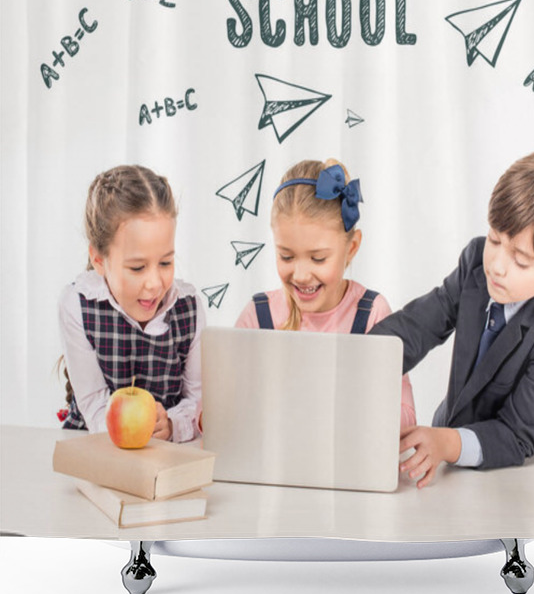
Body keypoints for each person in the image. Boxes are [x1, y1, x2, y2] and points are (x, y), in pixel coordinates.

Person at [371, 146, 534, 487]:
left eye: (521, 260)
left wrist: (446, 443)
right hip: (448, 453)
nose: (496, 265)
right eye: (495, 239)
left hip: (516, 475)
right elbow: (417, 327)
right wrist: (356, 362)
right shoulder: (475, 267)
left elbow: (516, 436)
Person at [235, 158, 416, 429]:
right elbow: (220, 408)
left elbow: (407, 417)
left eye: (318, 259)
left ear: (351, 248)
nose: (301, 274)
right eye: (286, 256)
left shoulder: (372, 314)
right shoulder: (258, 314)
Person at [58, 165, 204, 442]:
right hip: (95, 449)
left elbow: (197, 402)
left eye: (165, 263)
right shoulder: (77, 305)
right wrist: (130, 430)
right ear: (99, 260)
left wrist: (172, 425)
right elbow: (93, 406)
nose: (154, 284)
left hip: (165, 456)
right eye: (137, 268)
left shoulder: (189, 308)